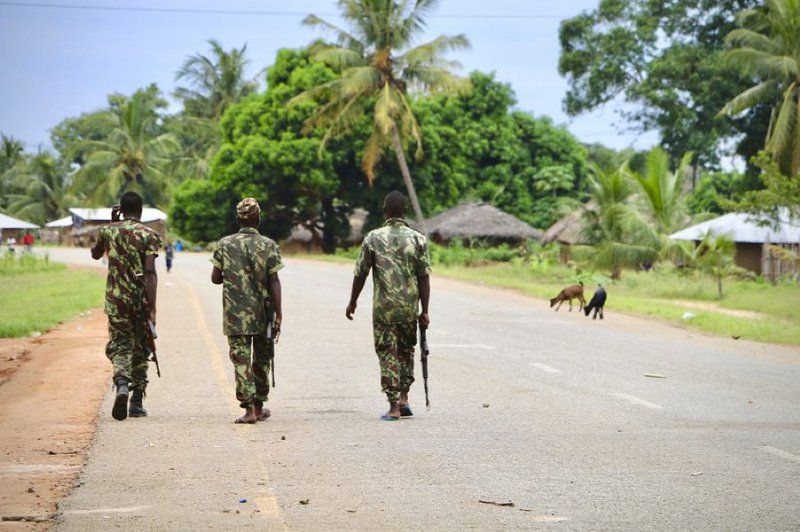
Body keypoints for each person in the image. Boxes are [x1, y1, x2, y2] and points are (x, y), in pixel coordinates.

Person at [346, 191, 431, 421]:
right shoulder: (417, 239)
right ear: (404, 212)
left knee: (387, 353)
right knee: (406, 351)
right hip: (408, 308)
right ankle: (404, 398)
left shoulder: (373, 238)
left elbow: (360, 274)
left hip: (384, 310)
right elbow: (424, 277)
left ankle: (393, 407)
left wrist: (353, 301)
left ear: (385, 211)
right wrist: (425, 310)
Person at [211, 198, 283, 424]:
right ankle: (260, 406)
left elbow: (215, 278)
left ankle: (249, 409)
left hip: (235, 314)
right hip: (263, 313)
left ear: (238, 219)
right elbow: (274, 281)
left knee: (241, 359)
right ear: (258, 218)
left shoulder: (224, 244)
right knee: (262, 359)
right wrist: (279, 313)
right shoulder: (268, 244)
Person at [91, 191, 161, 421]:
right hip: (140, 302)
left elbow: (95, 254)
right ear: (141, 210)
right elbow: (150, 272)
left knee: (121, 346)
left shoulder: (108, 231)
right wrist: (152, 306)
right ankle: (137, 402)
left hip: (116, 301)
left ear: (121, 208)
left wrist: (112, 222)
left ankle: (122, 383)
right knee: (142, 348)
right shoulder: (149, 235)